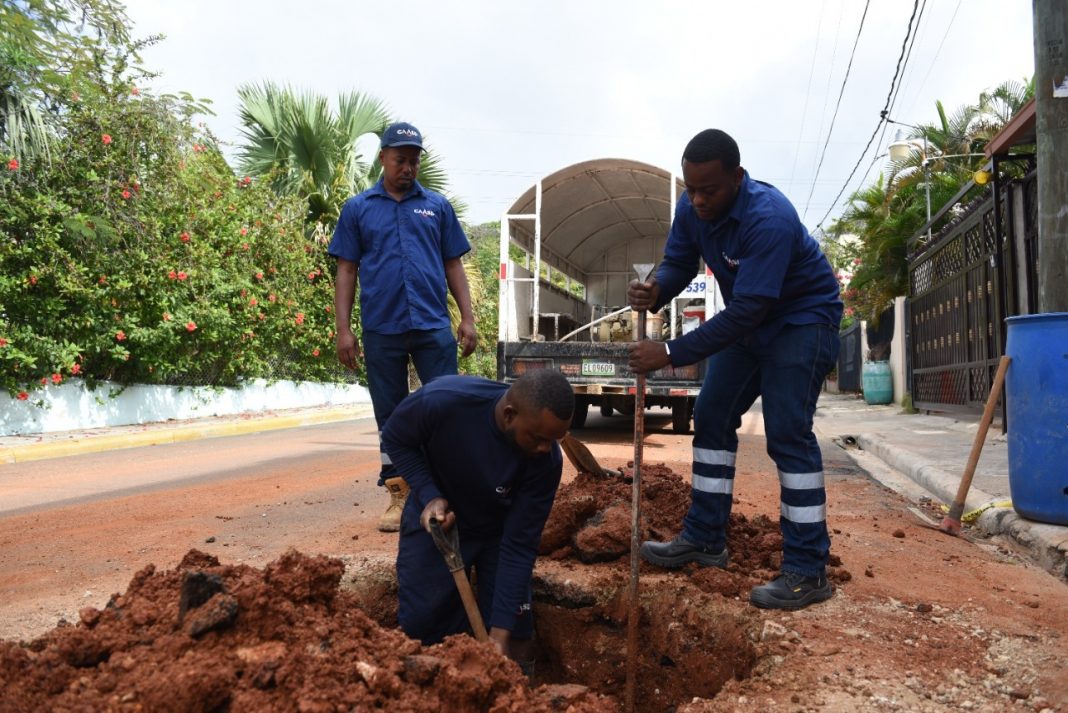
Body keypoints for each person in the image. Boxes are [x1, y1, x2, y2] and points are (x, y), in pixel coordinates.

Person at [627, 128, 843, 611]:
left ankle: (809, 570)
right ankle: (705, 539)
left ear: (738, 179)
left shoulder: (769, 217)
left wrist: (669, 352)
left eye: (710, 190)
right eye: (692, 189)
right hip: (753, 323)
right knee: (712, 415)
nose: (699, 200)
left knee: (787, 433)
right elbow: (680, 262)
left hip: (802, 320)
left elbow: (747, 310)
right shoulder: (691, 207)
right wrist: (656, 290)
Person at [329, 121, 478, 533]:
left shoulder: (437, 207)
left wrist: (467, 318)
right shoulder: (358, 209)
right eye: (400, 159)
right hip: (382, 328)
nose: (407, 168)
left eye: (413, 160)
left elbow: (453, 264)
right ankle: (399, 494)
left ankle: (449, 491)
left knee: (446, 408)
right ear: (382, 159)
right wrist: (344, 330)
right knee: (390, 416)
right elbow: (346, 270)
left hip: (432, 325)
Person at [380, 370, 573, 662]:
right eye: (538, 438)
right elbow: (396, 438)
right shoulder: (444, 401)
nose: (546, 448)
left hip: (498, 531)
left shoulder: (546, 462)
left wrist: (498, 638)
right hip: (439, 523)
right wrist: (429, 493)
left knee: (515, 637)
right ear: (509, 415)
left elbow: (519, 546)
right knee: (423, 627)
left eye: (554, 440)